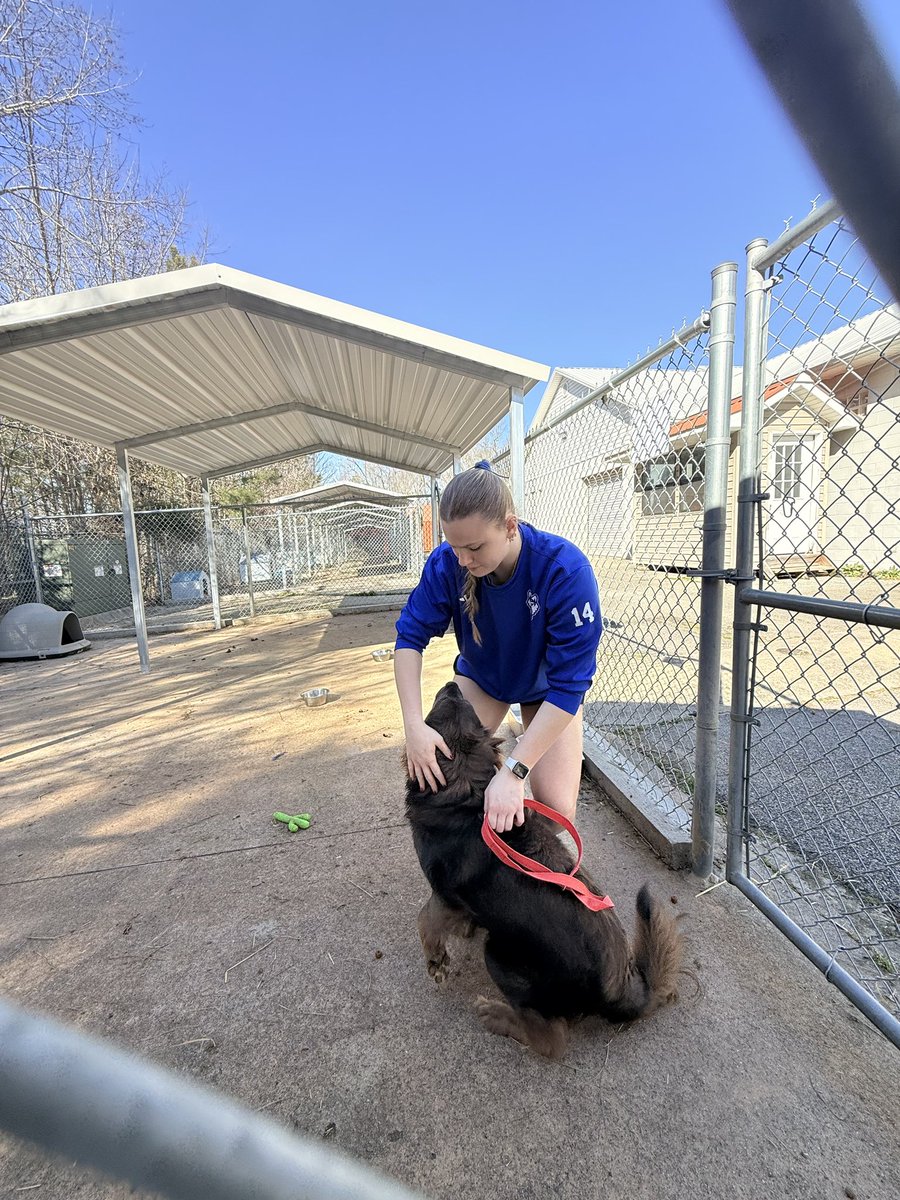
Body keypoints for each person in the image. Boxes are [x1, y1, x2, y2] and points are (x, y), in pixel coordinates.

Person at [394, 461, 602, 833]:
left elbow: (571, 686)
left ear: (509, 526)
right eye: (454, 546)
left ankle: (514, 862)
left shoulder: (565, 570)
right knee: (438, 775)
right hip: (485, 678)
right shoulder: (450, 563)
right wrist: (413, 726)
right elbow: (409, 639)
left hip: (547, 692)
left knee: (556, 811)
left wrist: (514, 770)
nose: (463, 560)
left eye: (474, 547)